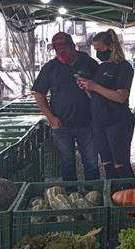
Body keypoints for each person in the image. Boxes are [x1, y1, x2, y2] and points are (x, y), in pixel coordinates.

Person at [31, 32, 100, 182]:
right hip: (61, 124)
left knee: (91, 162)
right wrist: (51, 118)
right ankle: (71, 193)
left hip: (87, 122)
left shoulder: (89, 63)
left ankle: (95, 192)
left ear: (73, 46)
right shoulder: (50, 68)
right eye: (58, 49)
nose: (62, 52)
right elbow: (39, 93)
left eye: (65, 48)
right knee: (67, 163)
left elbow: (101, 89)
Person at [77, 30, 135, 179]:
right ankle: (112, 191)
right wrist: (87, 88)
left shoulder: (123, 67)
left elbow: (121, 97)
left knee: (121, 165)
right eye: (95, 50)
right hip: (99, 122)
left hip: (117, 122)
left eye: (100, 49)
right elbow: (97, 95)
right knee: (107, 165)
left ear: (111, 46)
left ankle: (128, 191)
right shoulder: (101, 67)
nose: (98, 53)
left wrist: (95, 86)